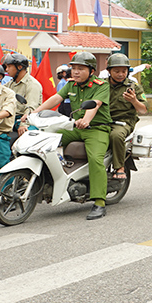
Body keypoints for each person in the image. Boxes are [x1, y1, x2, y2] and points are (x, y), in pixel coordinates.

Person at [25, 52, 112, 220]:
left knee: (95, 159)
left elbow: (96, 104)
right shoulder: (70, 85)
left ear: (91, 70)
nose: (76, 72)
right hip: (74, 127)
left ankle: (99, 202)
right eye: (73, 68)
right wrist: (33, 113)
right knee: (45, 140)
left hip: (97, 128)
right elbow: (55, 98)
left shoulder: (101, 85)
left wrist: (86, 120)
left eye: (80, 68)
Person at [104, 53, 147, 180]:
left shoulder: (134, 87)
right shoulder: (101, 85)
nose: (120, 74)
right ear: (109, 71)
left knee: (116, 136)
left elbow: (143, 110)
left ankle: (119, 167)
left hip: (124, 121)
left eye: (124, 71)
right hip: (103, 121)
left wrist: (134, 101)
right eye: (116, 71)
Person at [2, 53, 42, 135]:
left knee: (28, 134)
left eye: (9, 66)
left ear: (19, 67)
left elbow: (31, 108)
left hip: (27, 120)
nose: (7, 70)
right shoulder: (10, 84)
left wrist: (24, 125)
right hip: (10, 119)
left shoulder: (32, 84)